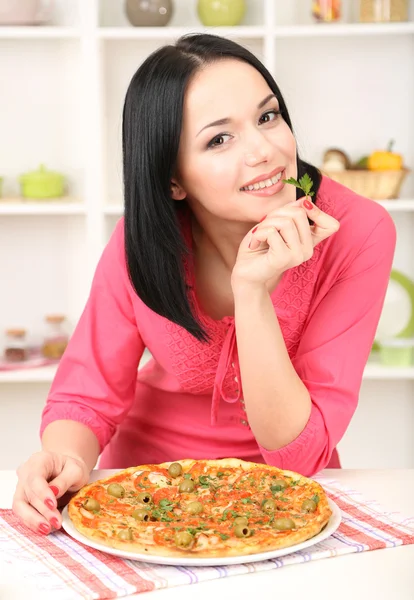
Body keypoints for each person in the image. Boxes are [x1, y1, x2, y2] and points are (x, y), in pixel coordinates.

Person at [13, 34, 395, 536]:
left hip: (286, 498)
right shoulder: (143, 238)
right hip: (140, 492)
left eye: (267, 116)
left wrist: (252, 292)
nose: (265, 150)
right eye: (219, 139)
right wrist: (62, 459)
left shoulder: (357, 231)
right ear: (172, 179)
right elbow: (86, 396)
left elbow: (299, 453)